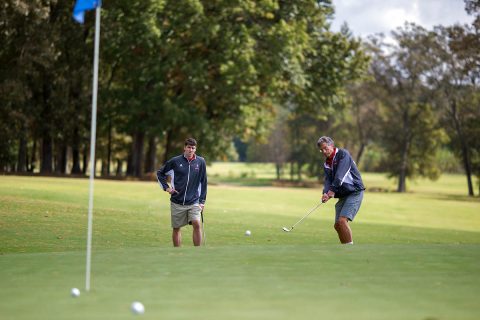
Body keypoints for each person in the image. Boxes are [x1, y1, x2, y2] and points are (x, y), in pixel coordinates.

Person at [157, 138, 207, 247]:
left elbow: (204, 182)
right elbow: (160, 173)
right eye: (188, 147)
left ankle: (197, 252)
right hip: (177, 201)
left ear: (195, 149)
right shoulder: (175, 161)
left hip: (194, 201)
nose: (190, 150)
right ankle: (177, 253)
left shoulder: (201, 162)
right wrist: (167, 188)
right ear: (184, 148)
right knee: (176, 228)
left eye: (193, 148)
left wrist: (202, 201)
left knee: (196, 223)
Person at [317, 136, 365, 244]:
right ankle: (345, 250)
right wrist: (325, 193)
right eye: (321, 150)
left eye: (325, 148)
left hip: (355, 191)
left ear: (332, 145)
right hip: (344, 194)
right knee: (337, 225)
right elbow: (328, 180)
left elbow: (340, 176)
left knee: (342, 221)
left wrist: (331, 191)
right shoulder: (326, 163)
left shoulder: (343, 154)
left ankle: (349, 251)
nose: (324, 151)